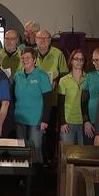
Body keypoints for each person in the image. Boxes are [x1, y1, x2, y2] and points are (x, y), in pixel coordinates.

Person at [34, 29, 68, 162]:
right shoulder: (31, 54)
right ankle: (36, 158)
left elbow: (65, 74)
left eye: (46, 38)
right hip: (34, 101)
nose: (42, 41)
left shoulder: (58, 54)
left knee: (49, 130)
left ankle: (48, 158)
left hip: (51, 99)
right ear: (35, 40)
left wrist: (56, 81)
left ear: (50, 40)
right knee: (35, 129)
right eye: (39, 38)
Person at [14, 48, 52, 163]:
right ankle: (23, 178)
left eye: (28, 58)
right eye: (23, 58)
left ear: (34, 60)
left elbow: (48, 99)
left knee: (35, 150)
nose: (25, 60)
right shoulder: (17, 75)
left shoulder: (42, 75)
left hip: (36, 121)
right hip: (20, 119)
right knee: (21, 150)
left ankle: (37, 178)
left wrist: (45, 119)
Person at [81, 47, 99, 145]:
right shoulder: (90, 76)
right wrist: (86, 121)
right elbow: (83, 100)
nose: (94, 63)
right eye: (93, 60)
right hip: (91, 121)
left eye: (97, 60)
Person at [58, 49, 86, 145]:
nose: (79, 61)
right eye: (76, 59)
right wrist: (62, 122)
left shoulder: (88, 79)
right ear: (71, 61)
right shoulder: (64, 80)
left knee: (83, 153)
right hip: (68, 121)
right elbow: (60, 103)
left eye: (81, 59)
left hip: (83, 121)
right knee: (68, 153)